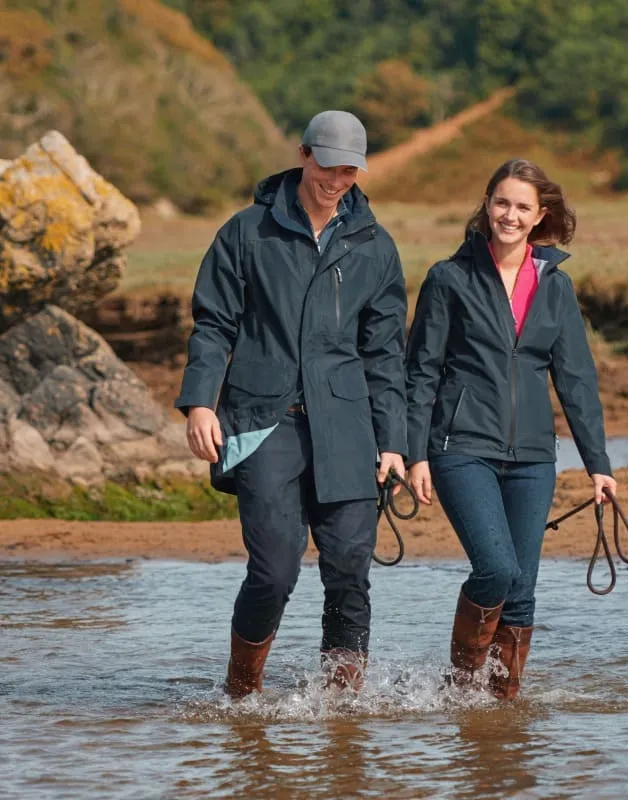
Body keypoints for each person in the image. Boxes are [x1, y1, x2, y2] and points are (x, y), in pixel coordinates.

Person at [175, 110, 407, 698]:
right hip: (262, 422)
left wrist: (394, 441)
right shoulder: (246, 232)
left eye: (349, 170)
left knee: (350, 569)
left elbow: (384, 354)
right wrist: (201, 403)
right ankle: (243, 693)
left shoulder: (375, 246)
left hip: (349, 429)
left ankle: (341, 706)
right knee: (275, 570)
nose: (336, 180)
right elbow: (212, 326)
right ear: (304, 155)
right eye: (328, 166)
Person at [405, 159, 616, 700]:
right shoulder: (448, 278)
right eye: (502, 203)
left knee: (522, 590)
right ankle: (461, 689)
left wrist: (598, 466)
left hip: (533, 458)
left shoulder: (556, 286)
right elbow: (421, 372)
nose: (510, 215)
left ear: (540, 215)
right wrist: (415, 454)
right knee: (496, 570)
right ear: (487, 204)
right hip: (460, 448)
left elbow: (576, 381)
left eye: (523, 207)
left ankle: (500, 709)